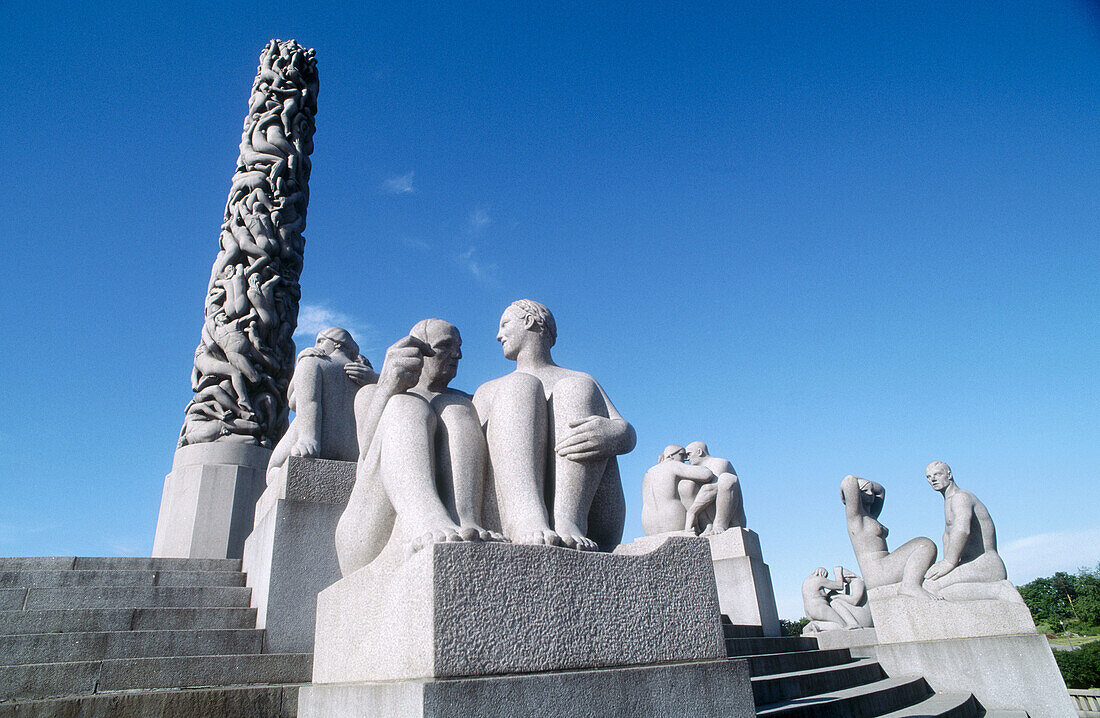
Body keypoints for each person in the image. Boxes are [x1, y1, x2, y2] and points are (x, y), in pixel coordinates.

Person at [335, 320, 502, 576]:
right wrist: (388, 386)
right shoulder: (372, 394)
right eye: (445, 346)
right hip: (369, 528)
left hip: (458, 531)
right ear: (420, 350)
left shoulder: (467, 402)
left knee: (458, 408)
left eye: (458, 347)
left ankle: (466, 521)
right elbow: (368, 459)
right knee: (405, 406)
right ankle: (424, 518)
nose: (457, 355)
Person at [473, 300, 634, 551]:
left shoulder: (582, 379)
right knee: (518, 387)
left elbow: (626, 432)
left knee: (577, 389)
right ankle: (525, 516)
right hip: (506, 516)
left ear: (528, 322)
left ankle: (569, 519)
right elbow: (471, 452)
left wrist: (614, 432)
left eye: (504, 325)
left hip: (590, 520)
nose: (498, 335)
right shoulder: (489, 390)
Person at [265, 328, 374, 483]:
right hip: (354, 452)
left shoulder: (313, 361)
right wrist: (376, 378)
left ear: (337, 344)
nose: (317, 346)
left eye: (321, 341)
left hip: (317, 444)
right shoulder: (365, 373)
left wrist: (301, 362)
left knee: (272, 470)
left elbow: (297, 402)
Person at [922, 461, 1022, 602]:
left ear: (949, 474)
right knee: (930, 585)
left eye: (937, 474)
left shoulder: (961, 497)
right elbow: (948, 537)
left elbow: (962, 529)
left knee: (930, 587)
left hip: (985, 564)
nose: (932, 479)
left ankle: (999, 590)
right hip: (969, 564)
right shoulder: (948, 501)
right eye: (928, 477)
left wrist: (949, 562)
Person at [841, 474, 941, 600]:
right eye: (865, 491)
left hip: (885, 564)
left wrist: (867, 484)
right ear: (857, 494)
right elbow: (848, 480)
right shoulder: (856, 519)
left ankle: (912, 584)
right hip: (876, 572)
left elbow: (881, 490)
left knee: (924, 545)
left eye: (871, 490)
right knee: (925, 545)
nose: (871, 493)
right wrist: (851, 488)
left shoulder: (871, 517)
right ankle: (910, 585)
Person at [640, 445, 718, 535]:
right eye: (682, 455)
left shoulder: (649, 472)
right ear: (671, 456)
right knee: (688, 485)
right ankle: (707, 524)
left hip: (648, 525)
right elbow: (706, 474)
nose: (685, 460)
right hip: (673, 520)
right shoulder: (672, 464)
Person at [682, 441, 745, 533]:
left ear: (699, 452)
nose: (687, 459)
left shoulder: (719, 463)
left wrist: (692, 511)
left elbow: (712, 489)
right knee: (685, 485)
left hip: (732, 519)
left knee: (726, 479)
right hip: (709, 518)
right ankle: (706, 525)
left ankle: (720, 524)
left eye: (689, 454)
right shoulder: (697, 470)